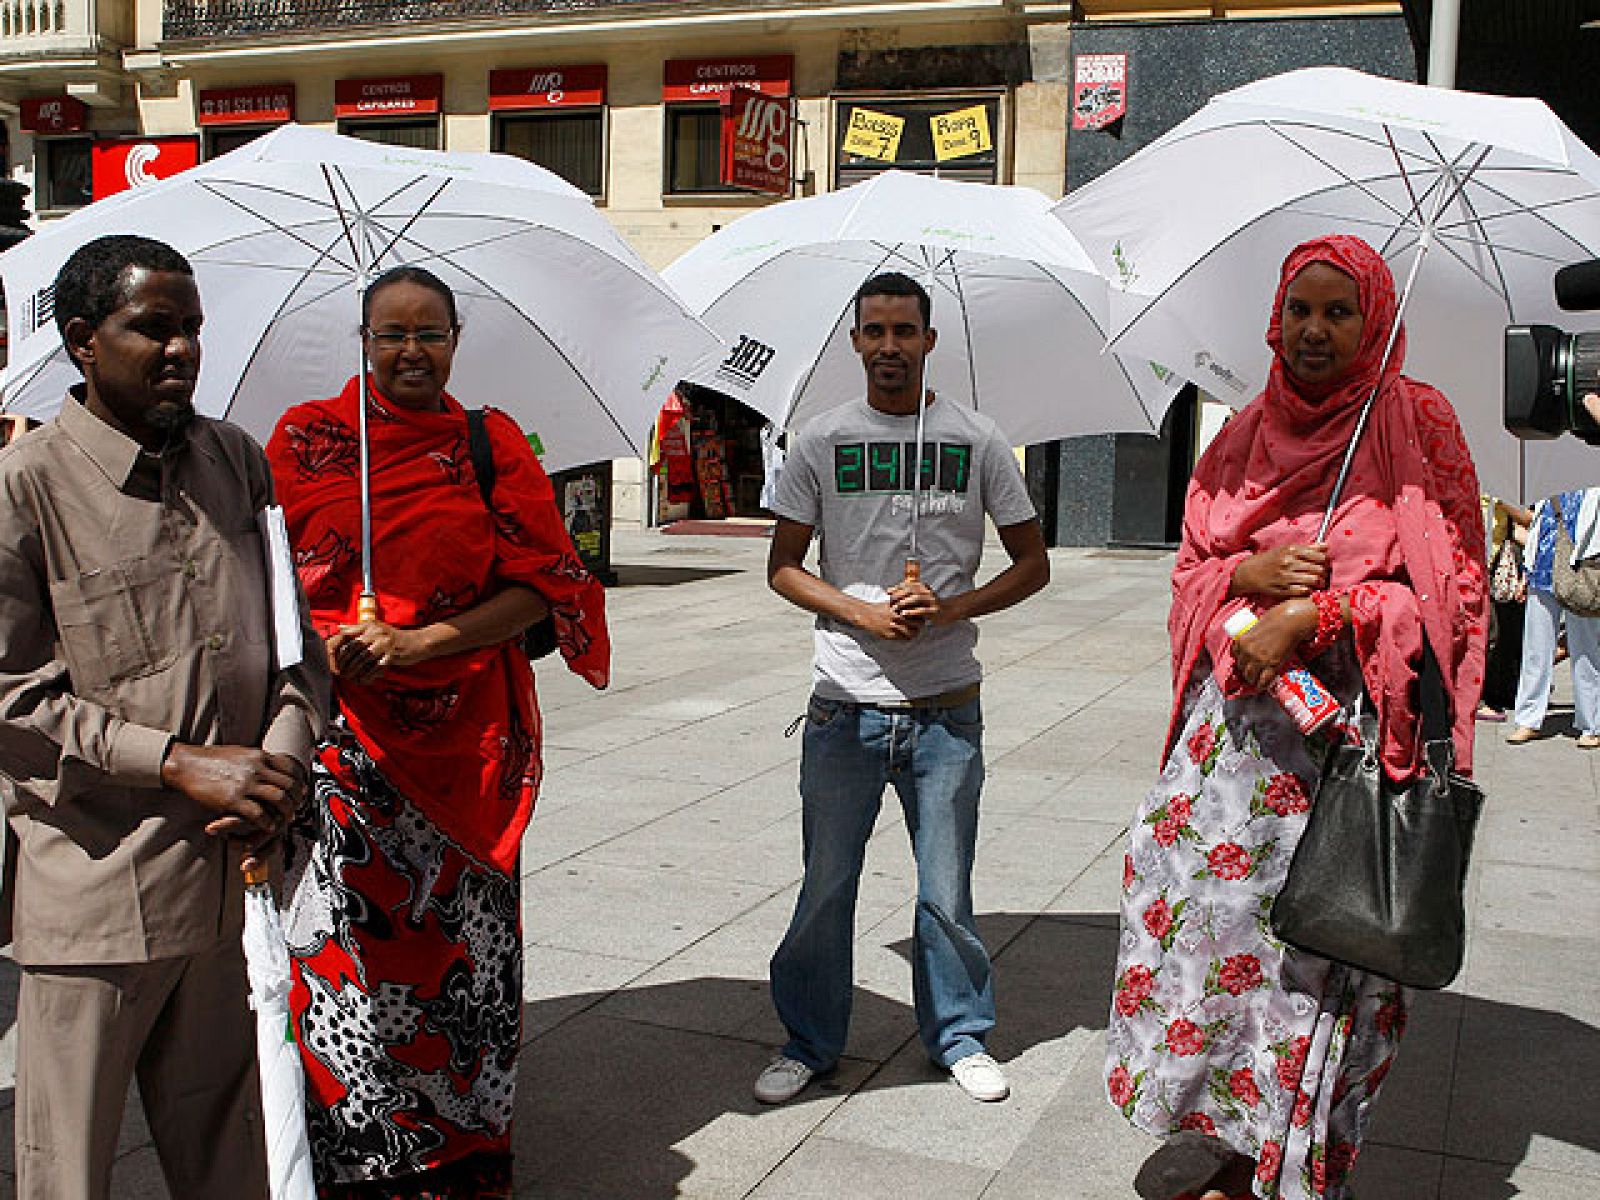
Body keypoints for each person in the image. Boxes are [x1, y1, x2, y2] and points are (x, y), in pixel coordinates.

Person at [1106, 236, 1487, 1200]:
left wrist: (1321, 611)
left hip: (1350, 758)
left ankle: (1297, 1151)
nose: (1315, 331)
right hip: (1232, 752)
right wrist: (1249, 575)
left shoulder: (1418, 421)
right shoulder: (1243, 431)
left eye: (1339, 312)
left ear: (1375, 323)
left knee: (1321, 954)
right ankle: (1222, 1128)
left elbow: (1457, 595)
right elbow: (1193, 566)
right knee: (1208, 934)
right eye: (1300, 310)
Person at [266, 265, 610, 1199]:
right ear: (363, 342)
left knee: (464, 956)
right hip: (340, 741)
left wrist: (417, 639)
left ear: (456, 340)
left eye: (430, 334)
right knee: (337, 955)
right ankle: (355, 1158)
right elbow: (259, 573)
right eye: (391, 335)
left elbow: (546, 586)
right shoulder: (305, 439)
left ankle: (464, 1153)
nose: (410, 352)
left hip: (465, 749)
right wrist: (328, 642)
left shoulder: (488, 443)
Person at [0, 234, 330, 1199]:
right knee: (66, 1171)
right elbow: (13, 698)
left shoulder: (236, 460)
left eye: (191, 327)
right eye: (153, 328)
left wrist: (279, 762)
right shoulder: (26, 489)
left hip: (234, 882)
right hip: (96, 896)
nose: (181, 348)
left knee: (235, 1155)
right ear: (81, 342)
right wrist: (181, 761)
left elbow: (293, 649)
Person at [754, 271, 1049, 1106]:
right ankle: (808, 1041)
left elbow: (1033, 565)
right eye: (874, 331)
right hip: (843, 707)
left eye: (903, 331)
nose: (889, 347)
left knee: (946, 893)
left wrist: (952, 606)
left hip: (946, 710)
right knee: (824, 889)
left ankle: (958, 1035)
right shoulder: (820, 438)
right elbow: (782, 566)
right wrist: (857, 609)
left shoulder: (978, 439)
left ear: (929, 340)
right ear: (855, 341)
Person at [1506, 487, 1600, 748]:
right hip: (1543, 567)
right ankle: (1528, 718)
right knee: (1536, 647)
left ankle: (1591, 723)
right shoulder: (1550, 482)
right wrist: (1529, 565)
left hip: (1582, 570)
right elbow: (1539, 521)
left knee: (1585, 649)